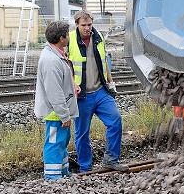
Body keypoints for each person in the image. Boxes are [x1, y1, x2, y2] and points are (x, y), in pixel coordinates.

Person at [68, 11, 127, 172]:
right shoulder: (70, 39)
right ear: (77, 25)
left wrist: (110, 81)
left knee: (115, 121)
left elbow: (104, 61)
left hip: (101, 91)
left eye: (89, 25)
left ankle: (111, 159)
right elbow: (66, 65)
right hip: (82, 96)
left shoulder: (98, 37)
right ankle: (85, 168)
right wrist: (72, 84)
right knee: (82, 134)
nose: (87, 28)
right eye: (83, 25)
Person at [34, 20, 79, 180]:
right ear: (61, 38)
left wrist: (73, 87)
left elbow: (61, 83)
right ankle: (53, 177)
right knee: (54, 143)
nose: (69, 37)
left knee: (61, 141)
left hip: (59, 111)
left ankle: (63, 171)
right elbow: (54, 92)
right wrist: (64, 115)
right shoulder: (51, 60)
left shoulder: (56, 55)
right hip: (56, 113)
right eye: (67, 34)